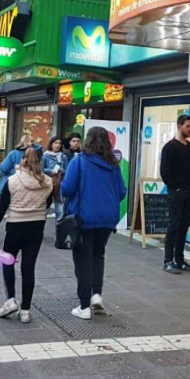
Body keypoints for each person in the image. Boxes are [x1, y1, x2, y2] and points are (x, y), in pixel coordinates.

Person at [61, 127, 128, 320]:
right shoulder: (113, 164)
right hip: (107, 219)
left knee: (82, 261)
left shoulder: (79, 161)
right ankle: (96, 295)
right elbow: (122, 192)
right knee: (98, 255)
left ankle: (84, 306)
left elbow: (67, 189)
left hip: (84, 218)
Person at [0, 148, 52, 323]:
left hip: (15, 226)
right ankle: (25, 310)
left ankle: (10, 300)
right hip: (37, 227)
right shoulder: (48, 182)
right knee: (28, 268)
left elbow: (0, 209)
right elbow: (48, 203)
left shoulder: (12, 181)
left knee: (7, 261)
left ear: (22, 160)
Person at [159, 114, 190, 274]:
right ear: (179, 126)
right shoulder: (170, 147)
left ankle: (179, 259)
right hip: (176, 192)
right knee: (174, 225)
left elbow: (189, 167)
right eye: (187, 126)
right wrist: (174, 187)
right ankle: (167, 260)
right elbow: (164, 170)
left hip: (188, 190)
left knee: (184, 226)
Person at [42, 136, 69, 221]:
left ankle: (59, 231)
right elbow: (41, 170)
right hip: (47, 183)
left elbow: (67, 171)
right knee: (44, 209)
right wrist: (50, 171)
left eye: (59, 143)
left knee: (60, 209)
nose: (58, 145)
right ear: (51, 144)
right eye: (55, 143)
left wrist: (61, 171)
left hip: (59, 184)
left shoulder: (63, 157)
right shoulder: (45, 156)